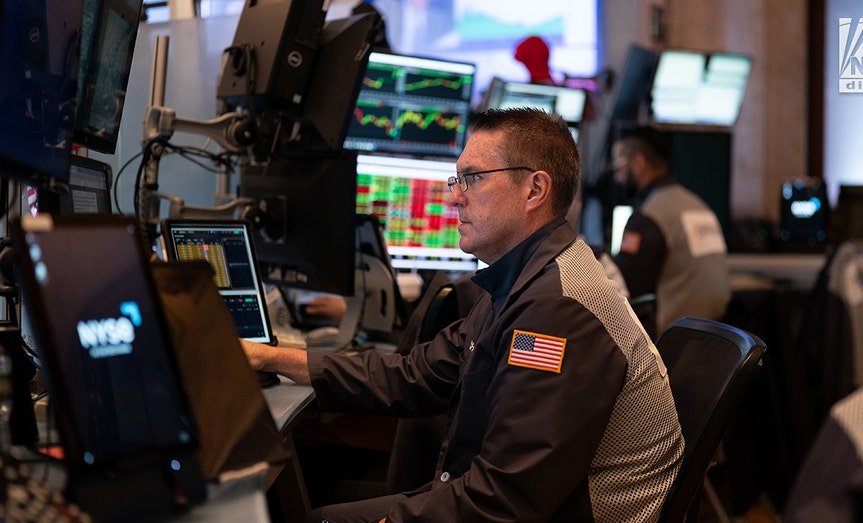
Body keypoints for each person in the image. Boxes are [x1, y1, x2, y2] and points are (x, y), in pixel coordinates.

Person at [243, 108, 683, 522]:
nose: (454, 198)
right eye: (456, 180)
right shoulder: (523, 280)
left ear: (535, 189)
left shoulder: (557, 309)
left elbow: (505, 501)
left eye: (471, 178)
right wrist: (271, 358)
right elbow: (414, 373)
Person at [611, 126, 731, 334]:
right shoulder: (698, 205)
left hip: (671, 341)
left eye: (619, 166)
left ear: (638, 163)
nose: (617, 177)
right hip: (714, 336)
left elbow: (623, 284)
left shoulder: (650, 216)